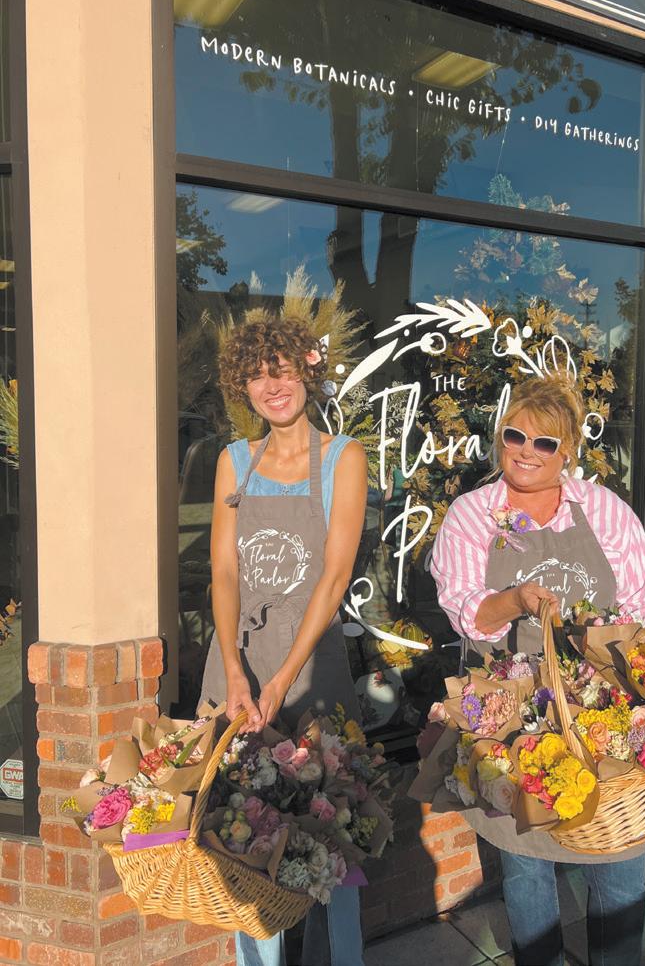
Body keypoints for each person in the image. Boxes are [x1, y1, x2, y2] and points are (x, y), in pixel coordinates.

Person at [430, 375, 645, 966]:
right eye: (515, 436)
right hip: (511, 717)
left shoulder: (604, 511)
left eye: (545, 443)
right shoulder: (472, 515)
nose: (526, 452)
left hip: (603, 713)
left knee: (618, 858)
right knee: (527, 863)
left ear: (569, 453)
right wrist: (517, 599)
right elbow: (467, 613)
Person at [198, 313, 368, 966]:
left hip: (312, 670)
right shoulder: (234, 462)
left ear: (307, 371)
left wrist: (281, 677)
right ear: (242, 387)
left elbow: (334, 576)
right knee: (243, 837)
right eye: (257, 375)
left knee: (335, 836)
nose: (273, 386)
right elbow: (223, 571)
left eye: (283, 369)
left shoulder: (343, 458)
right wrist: (235, 672)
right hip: (239, 667)